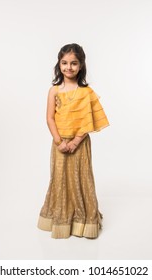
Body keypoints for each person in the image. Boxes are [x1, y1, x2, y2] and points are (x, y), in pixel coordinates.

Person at [37, 43, 109, 239]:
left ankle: (83, 222)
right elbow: (50, 118)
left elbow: (88, 121)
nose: (69, 67)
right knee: (59, 179)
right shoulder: (54, 90)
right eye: (65, 63)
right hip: (59, 143)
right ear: (59, 65)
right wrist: (60, 141)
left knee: (81, 179)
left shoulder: (86, 92)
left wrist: (75, 142)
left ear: (81, 65)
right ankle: (61, 220)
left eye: (74, 63)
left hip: (80, 144)